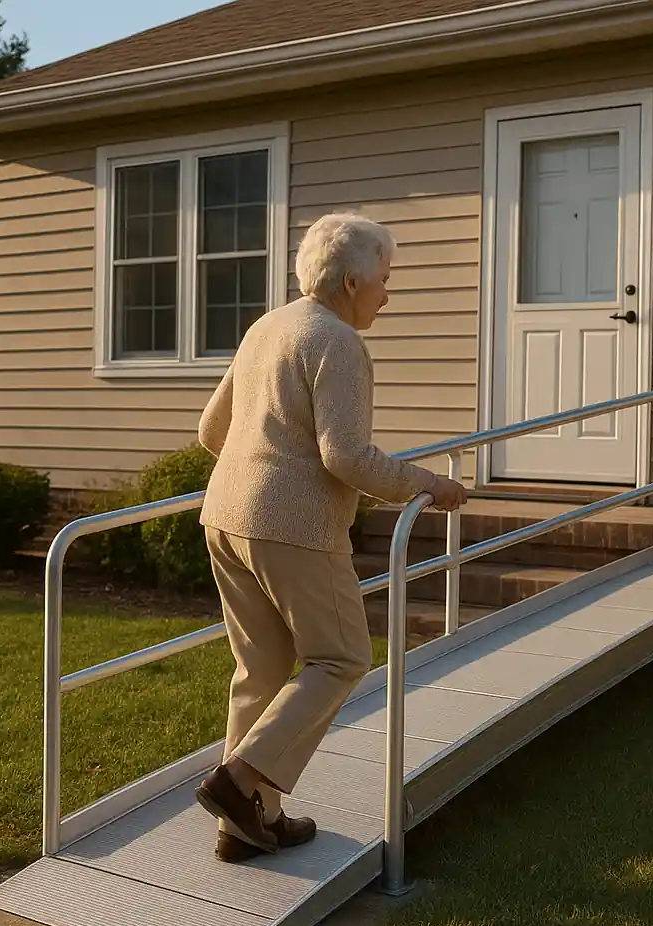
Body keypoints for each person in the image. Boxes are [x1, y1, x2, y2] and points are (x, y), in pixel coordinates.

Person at [194, 212, 468, 863]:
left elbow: (211, 431)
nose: (387, 293)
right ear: (352, 281)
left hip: (225, 517)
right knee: (341, 657)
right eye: (385, 279)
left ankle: (248, 824)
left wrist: (258, 464)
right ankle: (237, 784)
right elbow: (344, 456)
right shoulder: (338, 342)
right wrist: (426, 482)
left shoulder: (269, 326)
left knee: (259, 669)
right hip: (292, 527)